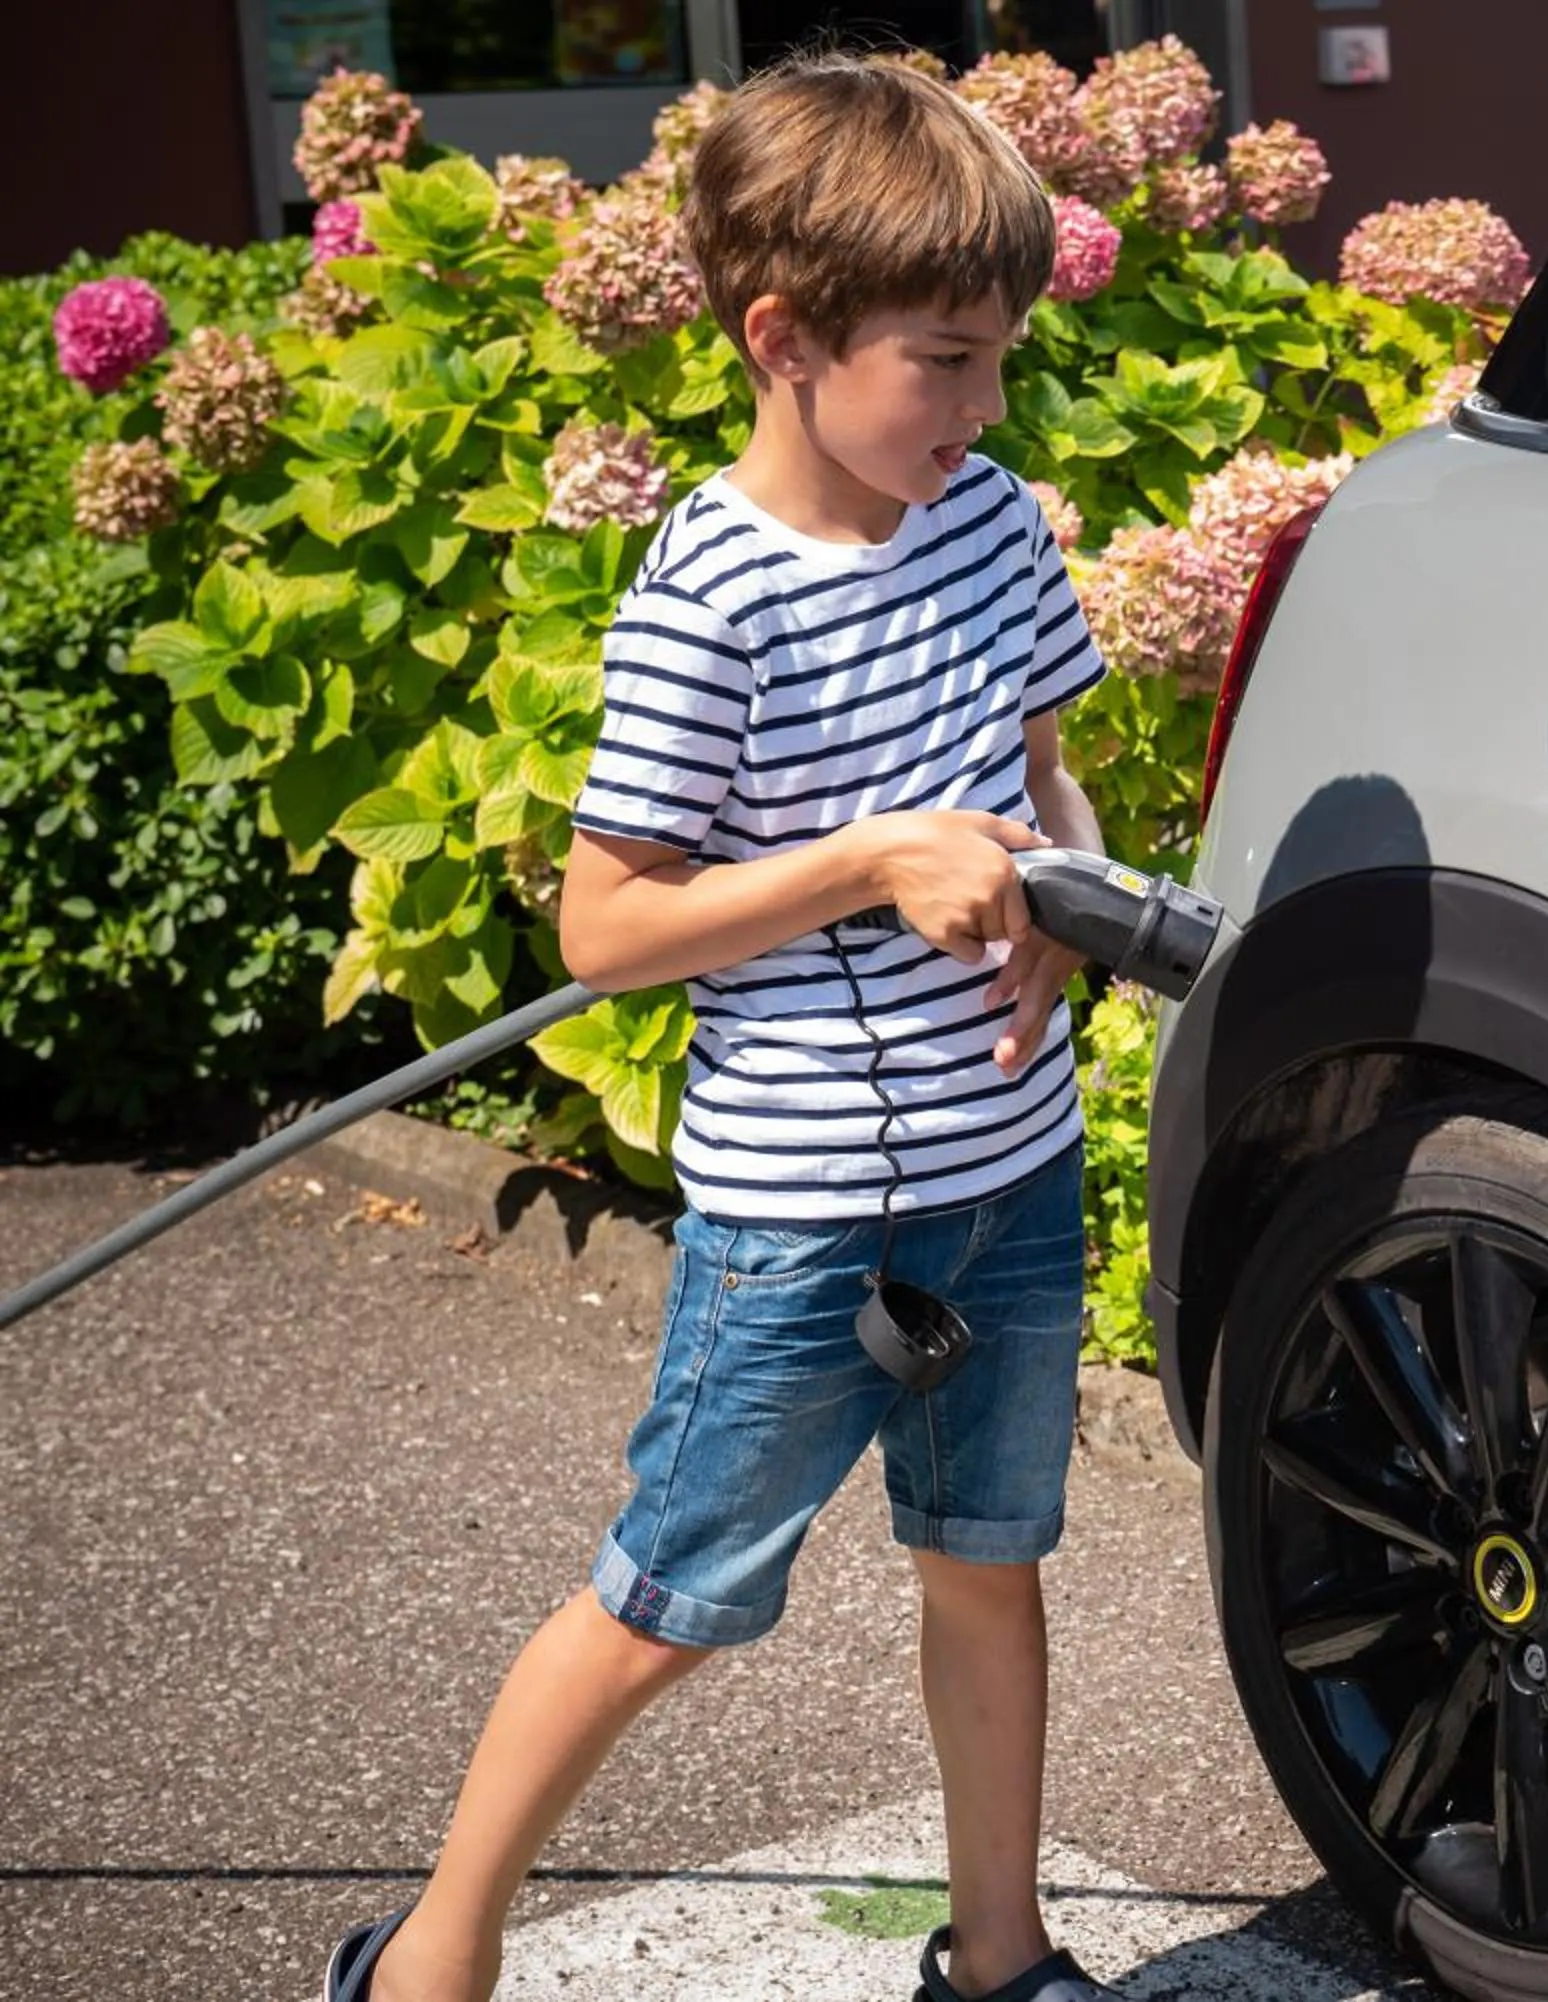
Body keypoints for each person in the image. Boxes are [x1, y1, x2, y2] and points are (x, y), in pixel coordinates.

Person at [323, 50, 1116, 2002]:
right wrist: (867, 863)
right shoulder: (713, 600)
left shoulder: (994, 520)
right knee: (668, 1601)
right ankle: (435, 1949)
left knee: (988, 1564)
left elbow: (1050, 775)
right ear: (783, 336)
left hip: (1006, 1179)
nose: (986, 401)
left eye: (1002, 352)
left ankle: (1001, 1956)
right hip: (801, 1221)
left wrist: (1072, 915)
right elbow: (608, 923)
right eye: (945, 356)